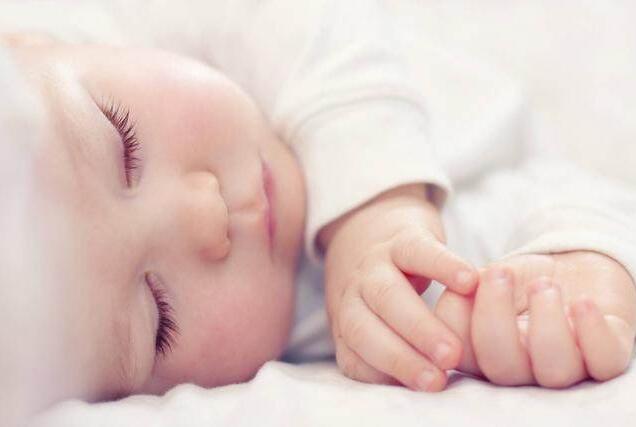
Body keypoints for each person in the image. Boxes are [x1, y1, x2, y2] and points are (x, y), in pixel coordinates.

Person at [0, 0, 635, 423]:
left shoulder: (120, 27)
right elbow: (531, 204)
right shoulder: (315, 324)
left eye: (125, 146)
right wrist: (570, 269)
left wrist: (378, 206)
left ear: (27, 40)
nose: (207, 215)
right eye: (158, 316)